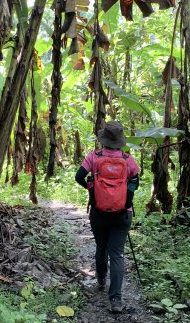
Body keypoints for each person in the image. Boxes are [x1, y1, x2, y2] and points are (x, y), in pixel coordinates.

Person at [75, 121, 139, 314]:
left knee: (101, 247)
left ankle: (101, 279)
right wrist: (123, 196)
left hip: (98, 213)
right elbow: (135, 181)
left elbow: (79, 177)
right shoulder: (128, 160)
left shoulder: (94, 157)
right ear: (120, 140)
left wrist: (92, 188)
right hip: (122, 215)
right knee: (117, 254)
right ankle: (116, 300)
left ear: (103, 139)